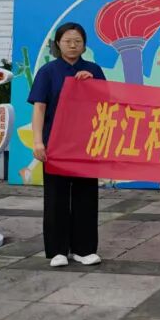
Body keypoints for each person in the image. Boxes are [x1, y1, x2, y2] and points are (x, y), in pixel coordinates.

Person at [29, 22, 106, 268]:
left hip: (86, 144)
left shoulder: (93, 70)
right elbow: (39, 108)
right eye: (67, 41)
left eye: (78, 41)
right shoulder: (48, 72)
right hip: (56, 144)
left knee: (86, 196)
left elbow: (106, 103)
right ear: (58, 44)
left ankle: (84, 249)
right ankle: (58, 250)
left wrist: (92, 84)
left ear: (84, 45)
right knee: (56, 197)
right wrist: (38, 141)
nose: (73, 45)